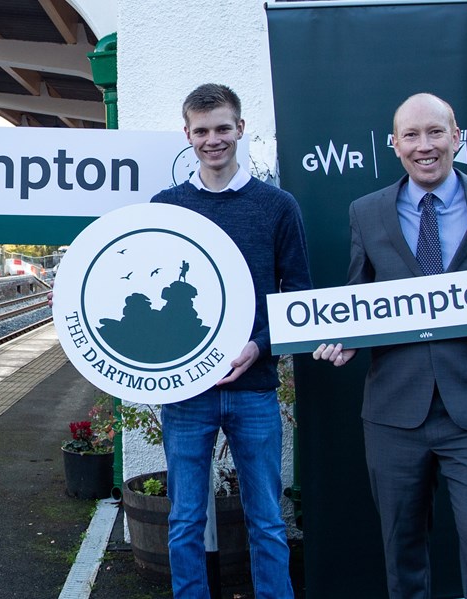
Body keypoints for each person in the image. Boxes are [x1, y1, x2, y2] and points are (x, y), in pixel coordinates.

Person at [313, 92, 467, 598]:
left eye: (436, 132)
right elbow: (359, 296)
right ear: (394, 144)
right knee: (403, 550)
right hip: (394, 412)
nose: (425, 146)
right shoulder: (367, 211)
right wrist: (346, 337)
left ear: (457, 138)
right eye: (412, 136)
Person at [152, 83, 310, 598]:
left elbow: (299, 297)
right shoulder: (165, 207)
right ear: (187, 135)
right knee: (184, 522)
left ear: (240, 128)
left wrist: (259, 346)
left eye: (223, 128)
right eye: (202, 131)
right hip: (185, 391)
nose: (213, 139)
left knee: (266, 518)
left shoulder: (277, 206)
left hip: (255, 386)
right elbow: (142, 284)